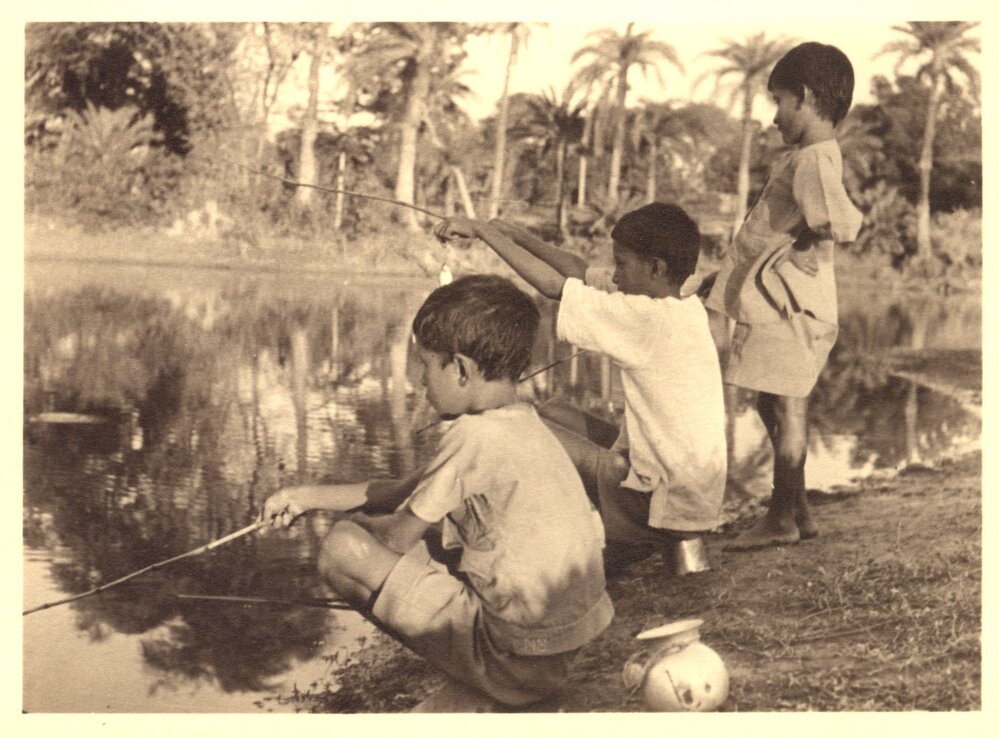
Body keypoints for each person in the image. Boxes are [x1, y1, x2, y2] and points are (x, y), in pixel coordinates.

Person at [261, 274, 613, 710]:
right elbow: (404, 490)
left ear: (461, 369)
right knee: (430, 534)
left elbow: (395, 538)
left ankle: (486, 686)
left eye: (425, 366)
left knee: (341, 548)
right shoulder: (522, 422)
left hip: (518, 662)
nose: (419, 381)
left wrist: (359, 525)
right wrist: (304, 497)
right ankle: (484, 678)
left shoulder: (472, 436)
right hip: (562, 650)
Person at [433, 203, 727, 571]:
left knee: (520, 428)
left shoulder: (648, 317)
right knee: (551, 411)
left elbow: (553, 286)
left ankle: (534, 542)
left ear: (655, 268)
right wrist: (517, 236)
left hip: (662, 505)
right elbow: (579, 272)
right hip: (689, 495)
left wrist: (482, 231)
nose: (615, 276)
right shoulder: (682, 305)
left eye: (621, 264)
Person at [701, 42, 863, 551]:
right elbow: (775, 231)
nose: (774, 117)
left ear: (806, 97)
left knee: (786, 408)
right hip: (778, 305)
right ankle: (797, 510)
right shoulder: (808, 157)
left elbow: (838, 221)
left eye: (779, 101)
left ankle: (779, 520)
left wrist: (805, 242)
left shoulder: (813, 158)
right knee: (771, 403)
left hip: (791, 308)